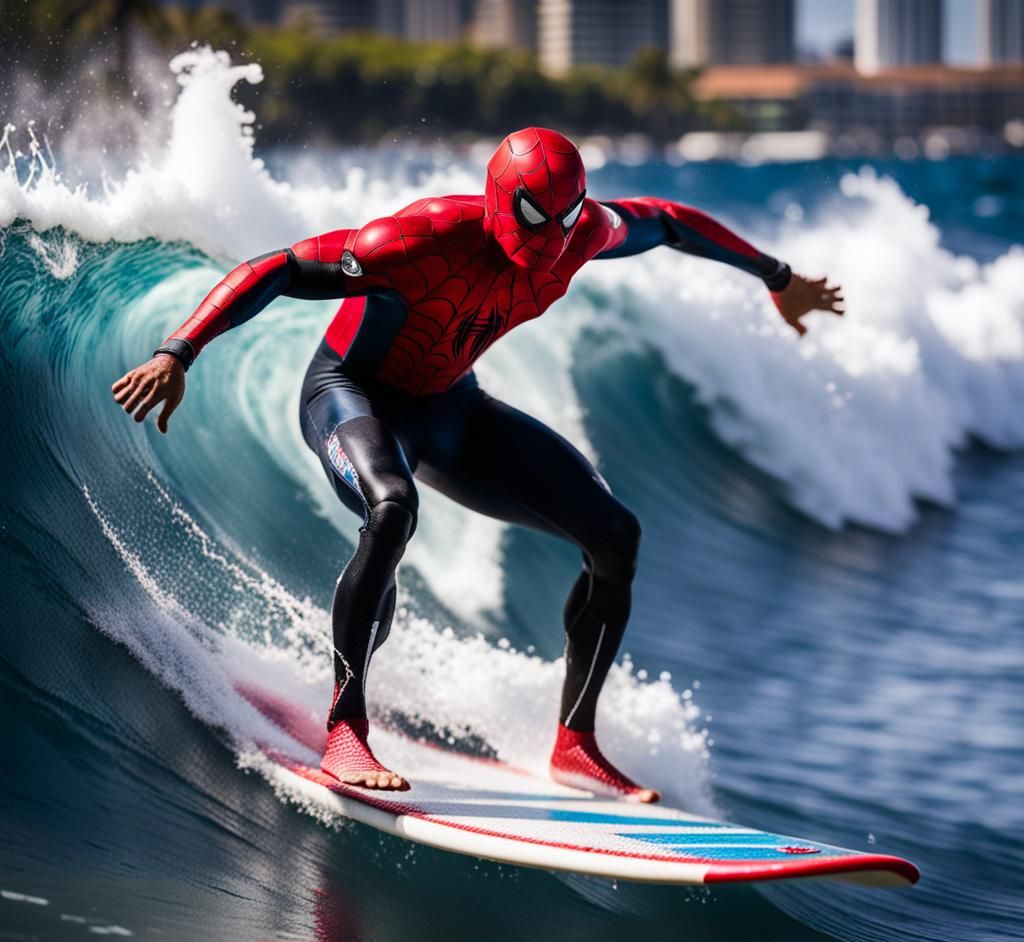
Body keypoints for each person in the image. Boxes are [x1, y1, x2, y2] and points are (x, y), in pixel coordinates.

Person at [113, 127, 843, 802]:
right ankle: (345, 729)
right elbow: (275, 267)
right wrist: (178, 350)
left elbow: (667, 221)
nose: (552, 238)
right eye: (533, 217)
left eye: (566, 219)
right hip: (352, 393)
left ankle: (574, 743)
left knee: (616, 536)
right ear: (499, 201)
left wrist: (775, 275)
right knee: (393, 509)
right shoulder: (418, 238)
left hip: (452, 409)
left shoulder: (582, 232)